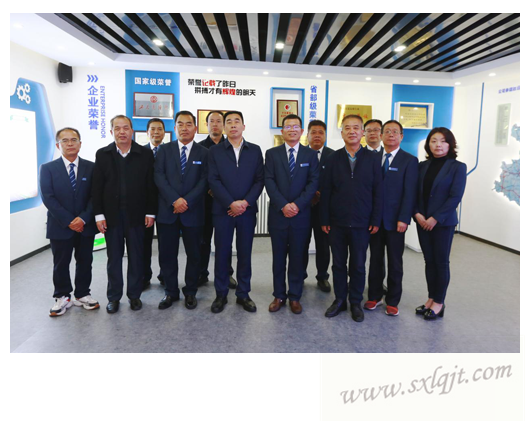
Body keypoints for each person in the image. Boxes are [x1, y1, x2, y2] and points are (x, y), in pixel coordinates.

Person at [320, 114, 383, 322]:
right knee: (338, 264)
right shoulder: (332, 158)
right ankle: (340, 300)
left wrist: (375, 220)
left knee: (358, 264)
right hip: (336, 222)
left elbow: (378, 192)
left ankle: (355, 301)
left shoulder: (373, 159)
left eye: (356, 127)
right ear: (342, 133)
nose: (352, 131)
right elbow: (326, 191)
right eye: (347, 128)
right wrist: (324, 219)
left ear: (362, 132)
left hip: (362, 222)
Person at [92, 115, 157, 313]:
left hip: (137, 215)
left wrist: (151, 212)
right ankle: (113, 297)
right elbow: (97, 187)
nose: (122, 132)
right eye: (117, 128)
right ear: (111, 132)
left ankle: (134, 296)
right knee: (114, 258)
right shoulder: (103, 154)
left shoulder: (145, 154)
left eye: (126, 128)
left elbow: (151, 186)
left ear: (132, 130)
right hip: (111, 217)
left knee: (137, 257)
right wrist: (99, 215)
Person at [208, 111, 264, 313]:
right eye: (229, 122)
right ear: (224, 127)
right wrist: (230, 203)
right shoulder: (215, 151)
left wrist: (245, 203)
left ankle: (243, 293)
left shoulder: (255, 150)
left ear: (243, 126)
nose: (233, 125)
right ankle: (221, 294)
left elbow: (259, 180)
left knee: (245, 253)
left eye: (237, 121)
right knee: (222, 253)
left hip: (247, 212)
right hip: (223, 211)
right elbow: (213, 180)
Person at [40, 127, 99, 316]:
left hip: (85, 225)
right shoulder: (48, 168)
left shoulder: (92, 167)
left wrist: (83, 218)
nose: (70, 143)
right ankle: (62, 296)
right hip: (60, 225)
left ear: (80, 144)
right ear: (58, 145)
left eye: (74, 140)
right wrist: (69, 220)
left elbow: (95, 196)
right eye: (65, 140)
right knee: (61, 263)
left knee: (85, 261)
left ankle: (82, 294)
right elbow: (48, 197)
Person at [154, 111, 209, 310]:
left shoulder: (204, 153)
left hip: (193, 211)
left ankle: (190, 291)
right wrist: (174, 200)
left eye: (188, 124)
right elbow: (159, 177)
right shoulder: (164, 150)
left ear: (195, 128)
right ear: (174, 127)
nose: (184, 128)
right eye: (180, 124)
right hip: (167, 211)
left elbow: (205, 180)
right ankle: (170, 291)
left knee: (194, 254)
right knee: (167, 254)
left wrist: (186, 201)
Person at [265, 114, 319, 314]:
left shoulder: (310, 155)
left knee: (298, 257)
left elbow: (313, 183)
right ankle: (279, 295)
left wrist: (296, 205)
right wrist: (283, 205)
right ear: (282, 131)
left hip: (301, 215)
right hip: (278, 215)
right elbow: (269, 181)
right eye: (288, 126)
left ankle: (295, 296)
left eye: (296, 126)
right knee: (278, 258)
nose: (292, 130)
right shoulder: (272, 154)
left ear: (302, 131)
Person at [365, 120, 418, 316]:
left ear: (401, 136)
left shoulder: (409, 160)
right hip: (374, 221)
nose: (391, 135)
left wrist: (404, 218)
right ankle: (374, 296)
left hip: (396, 222)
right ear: (381, 135)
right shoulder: (372, 158)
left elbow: (410, 193)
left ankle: (393, 300)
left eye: (395, 132)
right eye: (387, 131)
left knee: (395, 262)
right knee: (375, 260)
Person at [414, 127, 466, 320]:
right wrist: (417, 214)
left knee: (441, 262)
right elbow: (414, 192)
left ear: (450, 144)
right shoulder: (422, 166)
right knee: (429, 261)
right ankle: (431, 298)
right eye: (434, 141)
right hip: (422, 221)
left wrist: (435, 218)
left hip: (443, 223)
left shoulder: (458, 167)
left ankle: (439, 302)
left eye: (443, 141)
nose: (438, 145)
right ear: (428, 144)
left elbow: (455, 197)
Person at [198, 111, 237, 290]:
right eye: (211, 121)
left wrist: (222, 194)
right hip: (204, 203)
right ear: (206, 125)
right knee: (203, 240)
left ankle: (227, 273)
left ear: (223, 125)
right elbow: (198, 175)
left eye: (218, 121)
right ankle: (201, 272)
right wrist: (210, 188)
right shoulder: (199, 148)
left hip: (225, 203)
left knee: (225, 242)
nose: (215, 124)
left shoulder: (231, 146)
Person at [302, 120, 333, 293]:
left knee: (323, 245)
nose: (317, 135)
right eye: (313, 132)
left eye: (321, 132)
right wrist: (309, 194)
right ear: (307, 135)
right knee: (301, 243)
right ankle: (300, 275)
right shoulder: (301, 154)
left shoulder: (333, 156)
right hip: (303, 207)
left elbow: (336, 182)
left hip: (324, 209)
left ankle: (322, 277)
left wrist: (322, 194)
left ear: (325, 135)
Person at [142, 117, 165, 289]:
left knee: (165, 244)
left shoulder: (170, 151)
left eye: (159, 129)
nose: (156, 132)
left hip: (165, 204)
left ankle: (165, 275)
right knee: (144, 243)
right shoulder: (139, 152)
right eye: (153, 129)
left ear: (164, 132)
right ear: (147, 132)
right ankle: (144, 276)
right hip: (145, 205)